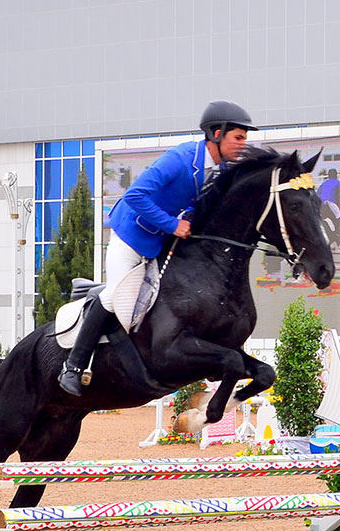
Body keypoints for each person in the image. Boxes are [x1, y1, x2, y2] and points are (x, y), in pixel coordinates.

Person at [58, 100, 256, 395]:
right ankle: (73, 367)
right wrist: (172, 224)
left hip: (162, 241)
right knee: (114, 296)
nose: (243, 144)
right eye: (238, 137)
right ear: (216, 133)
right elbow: (136, 195)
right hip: (131, 234)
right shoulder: (180, 158)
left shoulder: (222, 169)